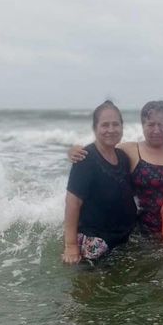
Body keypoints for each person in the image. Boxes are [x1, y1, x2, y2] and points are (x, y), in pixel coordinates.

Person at [68, 100, 163, 235]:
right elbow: (102, 148)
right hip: (141, 231)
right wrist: (75, 150)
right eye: (151, 124)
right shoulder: (131, 150)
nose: (156, 130)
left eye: (161, 124)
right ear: (143, 126)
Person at [62, 100, 137, 265]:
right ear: (95, 128)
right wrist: (71, 245)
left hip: (122, 237)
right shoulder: (85, 158)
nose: (111, 129)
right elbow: (72, 203)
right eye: (105, 125)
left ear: (122, 127)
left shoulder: (122, 156)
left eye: (115, 124)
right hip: (96, 242)